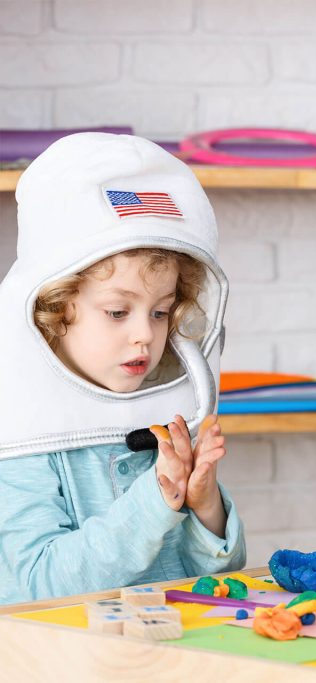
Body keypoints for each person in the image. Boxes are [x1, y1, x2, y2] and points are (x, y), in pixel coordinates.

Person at [0, 133, 246, 604]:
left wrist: (204, 504)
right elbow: (39, 588)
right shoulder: (21, 439)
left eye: (160, 313)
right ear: (52, 310)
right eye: (117, 311)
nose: (146, 336)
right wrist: (155, 500)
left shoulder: (166, 419)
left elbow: (220, 581)